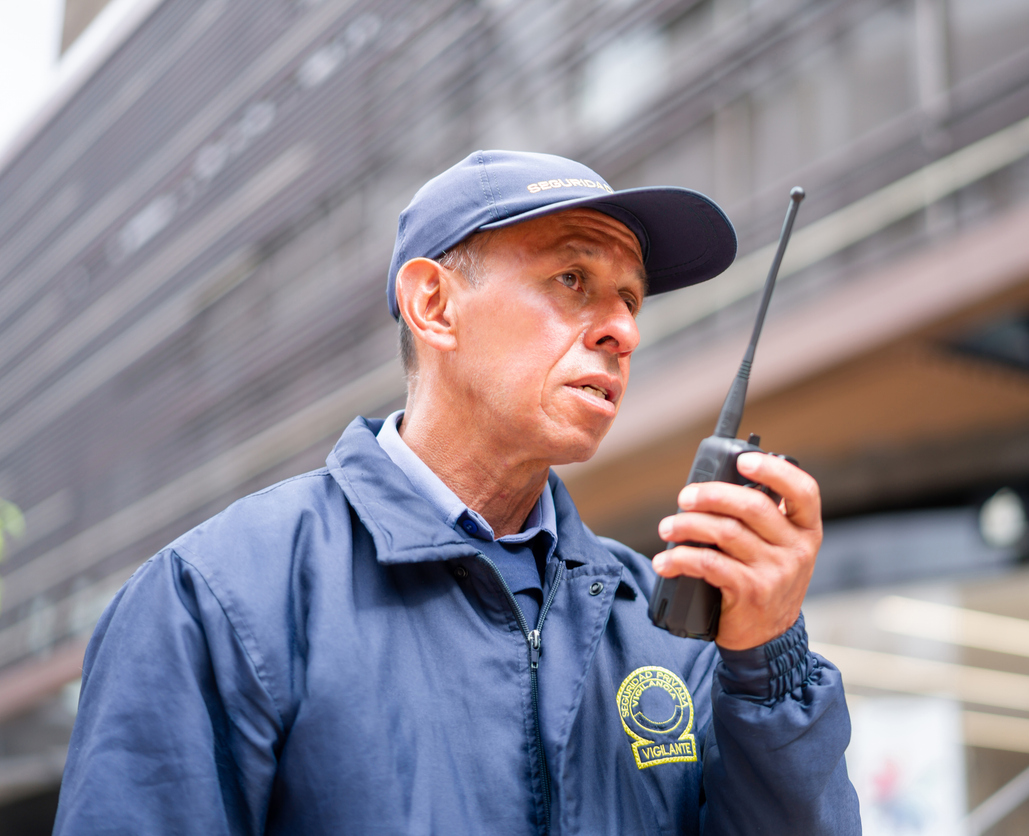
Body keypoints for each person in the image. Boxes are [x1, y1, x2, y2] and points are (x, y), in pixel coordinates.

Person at [53, 150, 861, 835]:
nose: (624, 330)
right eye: (574, 278)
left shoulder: (670, 629)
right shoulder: (217, 601)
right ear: (433, 305)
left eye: (629, 298)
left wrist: (767, 656)